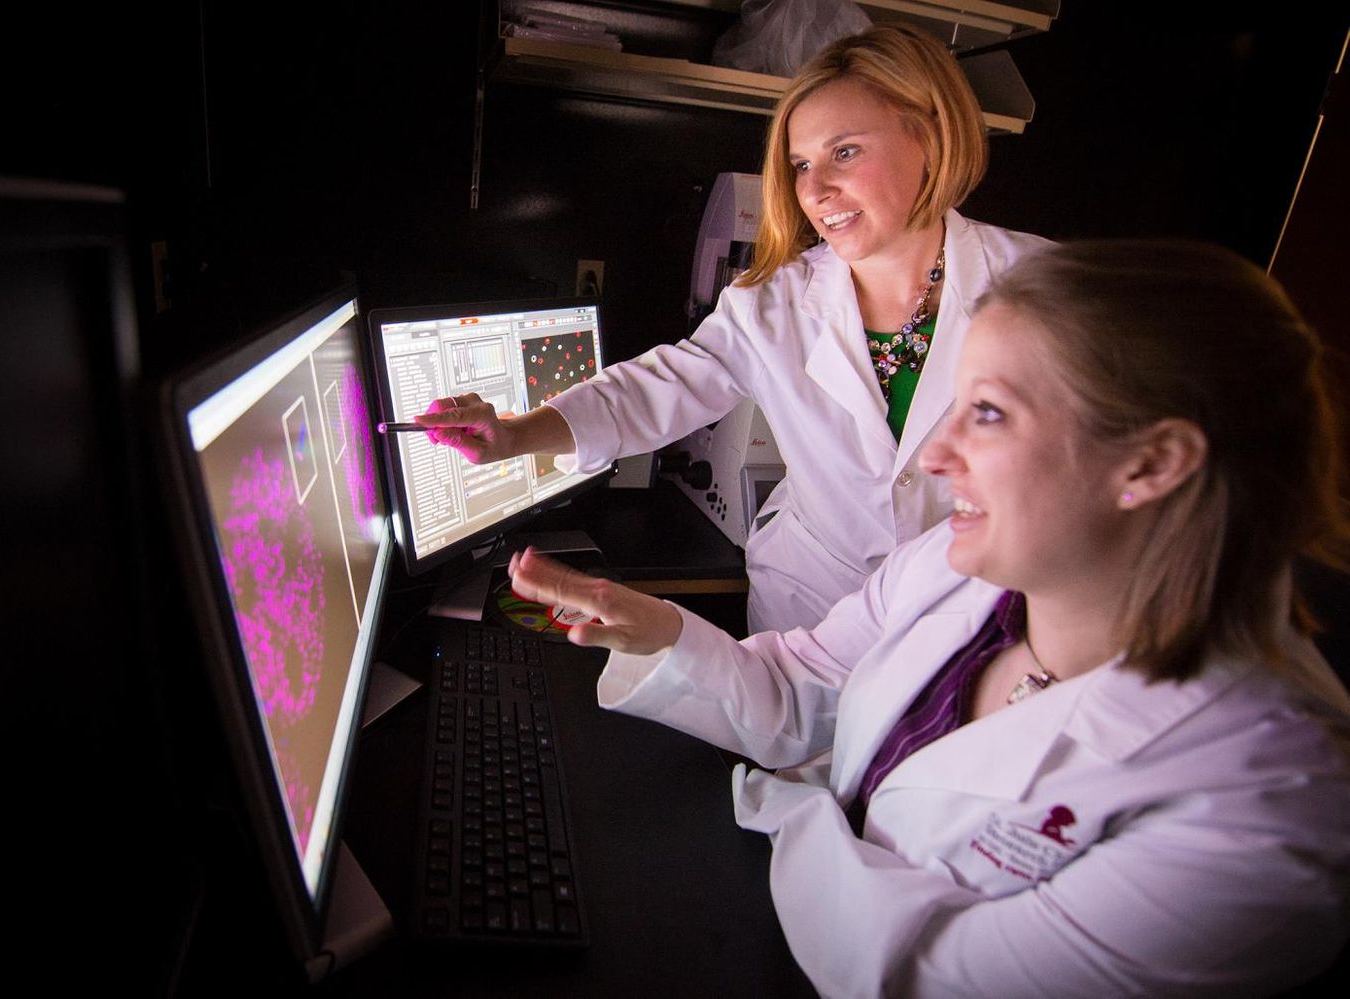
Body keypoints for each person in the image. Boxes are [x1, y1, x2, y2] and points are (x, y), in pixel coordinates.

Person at [503, 240, 1350, 997]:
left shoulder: (1264, 813)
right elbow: (806, 687)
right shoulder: (969, 574)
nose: (935, 457)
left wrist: (795, 813)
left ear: (1154, 461)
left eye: (989, 412)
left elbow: (920, 974)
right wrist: (654, 626)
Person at [413, 24, 1050, 634]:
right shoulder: (770, 302)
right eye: (800, 165)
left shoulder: (1049, 286)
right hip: (815, 603)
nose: (816, 189)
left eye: (845, 152)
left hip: (971, 611)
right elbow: (656, 389)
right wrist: (515, 435)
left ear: (932, 140)